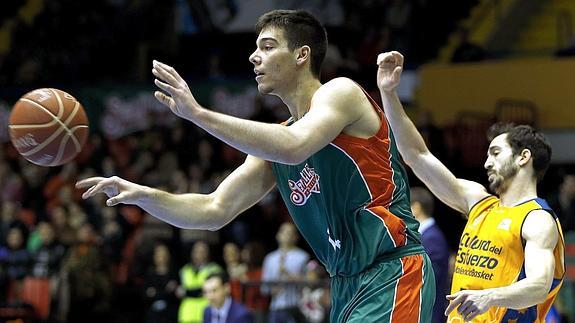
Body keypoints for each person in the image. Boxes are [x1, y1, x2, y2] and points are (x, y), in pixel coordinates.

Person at [76, 10, 434, 322]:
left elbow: (296, 147)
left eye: (267, 46)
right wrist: (143, 195)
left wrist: (198, 115)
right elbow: (214, 209)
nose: (253, 57)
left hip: (393, 269)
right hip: (345, 284)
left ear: (301, 55)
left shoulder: (340, 92)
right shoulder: (276, 143)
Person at [377, 50, 565, 322]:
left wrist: (488, 296)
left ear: (524, 157)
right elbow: (417, 155)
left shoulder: (537, 220)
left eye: (496, 153)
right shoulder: (478, 202)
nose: (487, 162)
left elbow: (539, 286)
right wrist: (389, 94)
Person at [410, 187, 450, 323]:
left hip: (429, 315)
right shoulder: (426, 236)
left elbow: (427, 282)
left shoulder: (432, 238)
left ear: (415, 208)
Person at [261, 222, 309, 323]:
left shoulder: (302, 256)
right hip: (275, 307)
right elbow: (264, 288)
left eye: (291, 233)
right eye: (284, 232)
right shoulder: (269, 258)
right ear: (278, 235)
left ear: (296, 237)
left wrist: (289, 275)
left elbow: (308, 283)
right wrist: (275, 287)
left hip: (296, 306)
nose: (287, 235)